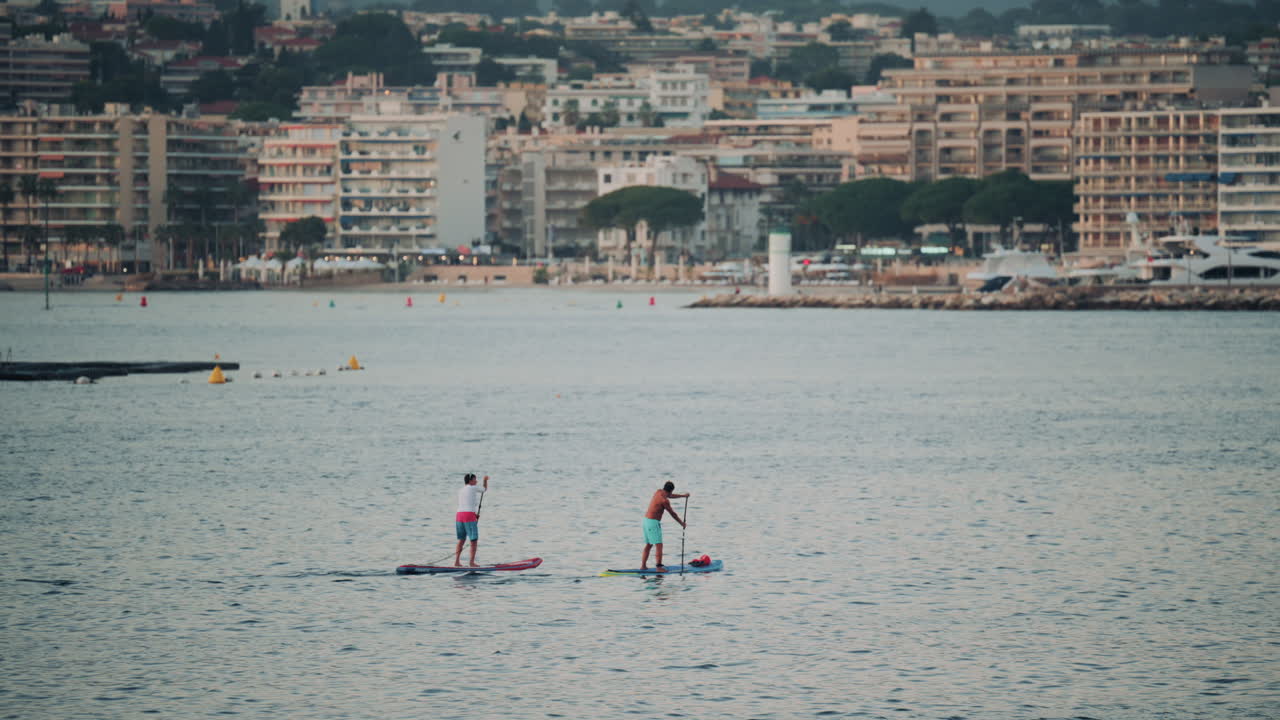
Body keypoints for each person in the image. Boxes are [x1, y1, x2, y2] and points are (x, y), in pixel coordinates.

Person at [641, 481, 689, 571]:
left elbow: (670, 495)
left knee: (649, 544)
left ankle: (643, 566)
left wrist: (683, 496)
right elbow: (672, 514)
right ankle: (659, 567)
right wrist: (681, 523)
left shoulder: (658, 492)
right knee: (659, 545)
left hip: (645, 521)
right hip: (653, 522)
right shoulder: (664, 501)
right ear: (671, 490)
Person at [454, 473, 488, 567]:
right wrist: (485, 480)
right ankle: (471, 562)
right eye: (474, 480)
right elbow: (484, 489)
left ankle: (456, 562)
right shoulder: (472, 488)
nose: (476, 481)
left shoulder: (460, 490)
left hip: (459, 515)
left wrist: (474, 514)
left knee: (461, 540)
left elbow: (467, 503)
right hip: (468, 515)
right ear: (470, 481)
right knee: (474, 540)